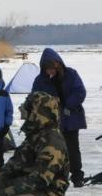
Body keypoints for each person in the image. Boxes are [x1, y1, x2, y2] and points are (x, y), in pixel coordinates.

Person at [31, 47, 87, 187]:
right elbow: (34, 98)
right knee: (54, 150)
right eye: (47, 69)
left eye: (52, 68)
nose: (50, 71)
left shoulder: (71, 74)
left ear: (58, 65)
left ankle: (77, 177)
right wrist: (49, 103)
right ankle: (56, 178)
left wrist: (67, 105)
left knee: (72, 149)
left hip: (70, 118)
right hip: (51, 122)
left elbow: (80, 92)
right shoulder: (40, 80)